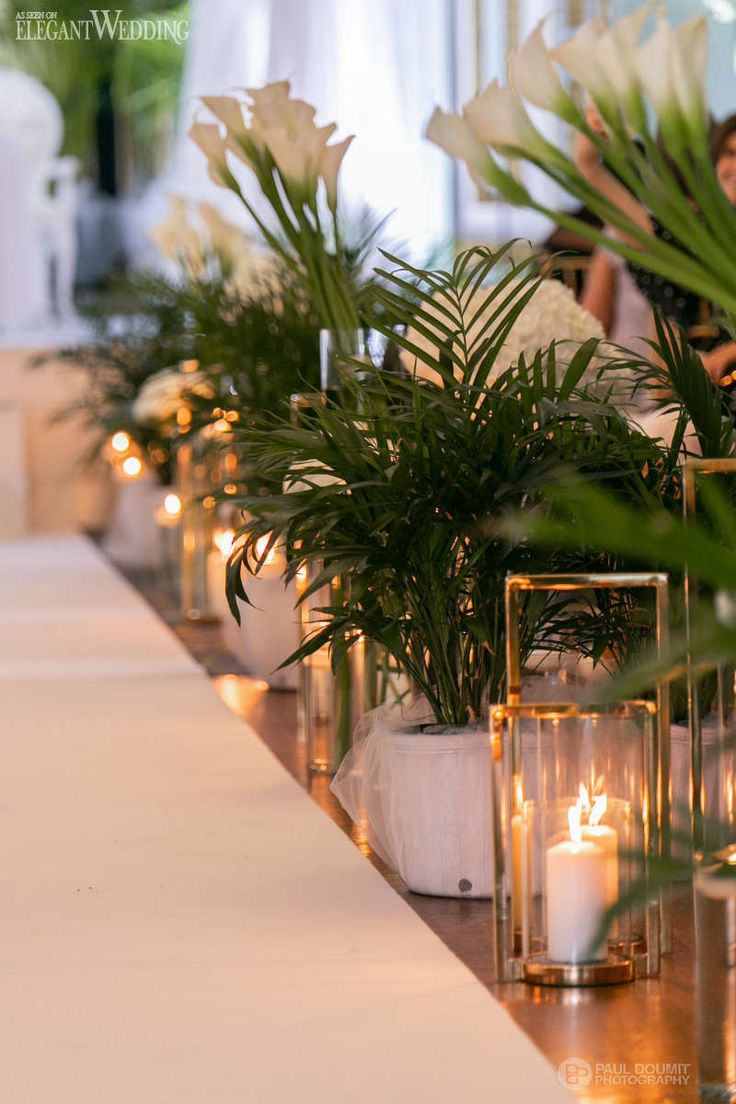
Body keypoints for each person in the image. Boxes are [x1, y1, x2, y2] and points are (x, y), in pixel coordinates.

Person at [574, 109, 736, 384]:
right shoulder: (697, 238)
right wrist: (589, 153)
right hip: (702, 397)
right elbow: (595, 176)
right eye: (730, 153)